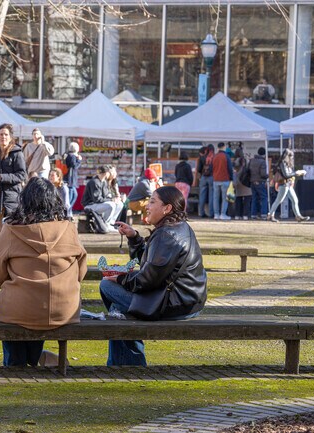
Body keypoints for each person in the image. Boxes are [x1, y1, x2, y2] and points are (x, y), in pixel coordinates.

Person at [100, 186, 207, 366]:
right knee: (118, 310)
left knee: (107, 287)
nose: (147, 207)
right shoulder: (177, 227)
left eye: (152, 202)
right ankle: (125, 364)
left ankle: (127, 364)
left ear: (167, 208)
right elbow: (152, 265)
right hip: (187, 299)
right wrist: (134, 237)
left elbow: (147, 280)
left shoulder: (167, 235)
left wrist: (119, 279)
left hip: (176, 303)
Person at [0, 177, 87, 366]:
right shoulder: (69, 228)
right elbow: (80, 270)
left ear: (24, 200)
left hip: (19, 308)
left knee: (18, 308)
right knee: (30, 307)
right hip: (64, 308)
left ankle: (17, 364)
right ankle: (33, 359)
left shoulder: (11, 229)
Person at [0, 123, 26, 255]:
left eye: (6, 134)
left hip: (12, 199)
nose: (3, 137)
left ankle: (12, 262)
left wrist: (2, 177)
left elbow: (22, 175)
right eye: (1, 134)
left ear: (11, 137)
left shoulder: (17, 153)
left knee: (12, 232)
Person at [266, 148, 309, 222]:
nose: (292, 158)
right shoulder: (283, 163)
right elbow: (286, 175)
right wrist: (296, 173)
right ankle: (270, 215)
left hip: (287, 184)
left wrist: (295, 174)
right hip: (284, 184)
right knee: (279, 200)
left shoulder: (286, 164)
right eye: (291, 156)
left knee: (294, 200)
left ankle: (298, 216)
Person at [80, 165, 124, 233]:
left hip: (97, 204)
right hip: (89, 206)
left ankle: (110, 223)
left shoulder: (103, 181)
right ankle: (105, 224)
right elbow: (97, 199)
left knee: (120, 204)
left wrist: (114, 199)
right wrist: (111, 200)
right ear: (106, 173)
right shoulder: (94, 182)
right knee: (111, 205)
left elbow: (105, 196)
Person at [211, 142, 233, 220]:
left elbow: (211, 168)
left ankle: (216, 214)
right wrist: (231, 178)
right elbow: (230, 168)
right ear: (224, 147)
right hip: (225, 179)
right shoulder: (226, 156)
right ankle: (223, 214)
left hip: (215, 179)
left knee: (215, 198)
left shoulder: (214, 156)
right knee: (224, 198)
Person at [248, 147, 269, 219]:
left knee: (254, 198)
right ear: (264, 154)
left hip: (252, 181)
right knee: (264, 198)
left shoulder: (252, 161)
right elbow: (263, 174)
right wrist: (268, 176)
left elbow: (248, 171)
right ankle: (264, 214)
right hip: (260, 182)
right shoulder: (263, 162)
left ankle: (253, 214)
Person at [232, 147, 251, 220]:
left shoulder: (234, 162)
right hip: (245, 182)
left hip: (237, 182)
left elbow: (233, 172)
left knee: (238, 199)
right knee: (247, 199)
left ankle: (237, 215)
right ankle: (245, 215)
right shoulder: (245, 160)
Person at [196, 145, 215, 218]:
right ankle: (210, 213)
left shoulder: (202, 157)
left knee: (202, 195)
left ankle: (201, 212)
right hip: (211, 177)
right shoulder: (214, 157)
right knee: (211, 196)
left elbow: (199, 168)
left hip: (203, 177)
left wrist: (201, 174)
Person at [64, 141, 82, 212]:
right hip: (70, 179)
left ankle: (68, 210)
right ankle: (67, 211)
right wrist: (79, 160)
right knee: (72, 196)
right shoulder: (72, 156)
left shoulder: (68, 155)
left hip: (70, 179)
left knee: (74, 195)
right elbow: (75, 166)